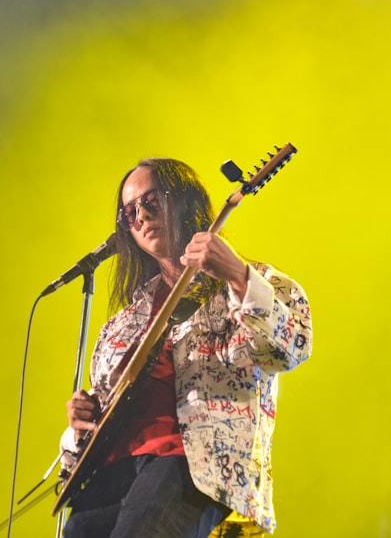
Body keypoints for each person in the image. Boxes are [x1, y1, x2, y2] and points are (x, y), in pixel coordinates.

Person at [58, 158, 312, 537]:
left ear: (183, 201)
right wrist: (79, 424)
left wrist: (237, 275)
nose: (141, 216)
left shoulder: (249, 283)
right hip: (107, 474)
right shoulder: (121, 323)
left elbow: (291, 346)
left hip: (186, 466)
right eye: (130, 212)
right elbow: (97, 416)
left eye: (151, 202)